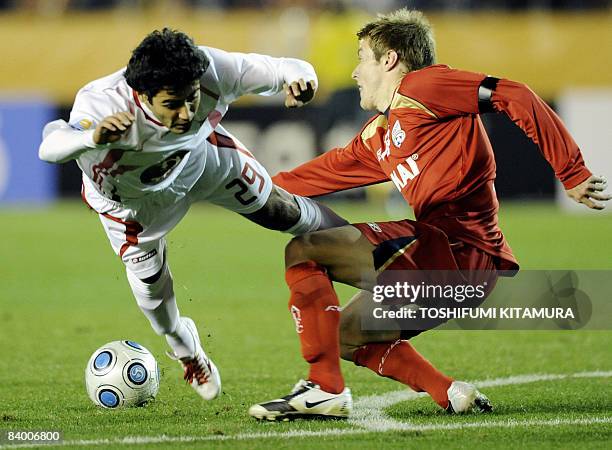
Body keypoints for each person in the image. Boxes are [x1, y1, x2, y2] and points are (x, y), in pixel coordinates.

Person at [248, 8, 610, 420]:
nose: (354, 72)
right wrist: (231, 182)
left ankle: (323, 388)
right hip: (467, 274)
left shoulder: (425, 86)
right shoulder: (380, 136)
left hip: (454, 249)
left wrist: (572, 171)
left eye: (362, 57)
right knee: (344, 335)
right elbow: (306, 177)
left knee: (305, 251)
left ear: (390, 60)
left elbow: (517, 95)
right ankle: (450, 392)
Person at [38, 29, 347, 403]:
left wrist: (302, 80)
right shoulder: (102, 104)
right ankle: (186, 350)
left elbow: (286, 68)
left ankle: (368, 242)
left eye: (192, 99)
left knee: (281, 210)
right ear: (143, 96)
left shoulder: (212, 69)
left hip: (201, 163)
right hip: (134, 211)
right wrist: (92, 139)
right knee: (154, 296)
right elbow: (50, 146)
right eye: (172, 103)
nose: (185, 113)